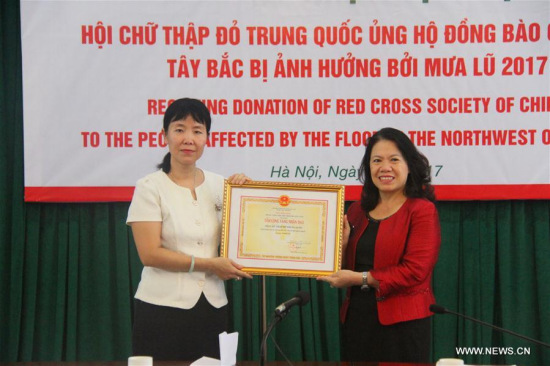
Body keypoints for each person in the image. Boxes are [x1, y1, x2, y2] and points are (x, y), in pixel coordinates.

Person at [126, 98, 253, 361]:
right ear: (165, 136)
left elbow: (245, 239)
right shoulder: (150, 187)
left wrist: (249, 198)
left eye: (197, 130)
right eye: (179, 129)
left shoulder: (222, 185)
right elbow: (149, 254)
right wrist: (209, 265)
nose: (188, 138)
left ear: (207, 138)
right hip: (161, 309)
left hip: (212, 307)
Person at [317, 127, 441, 363]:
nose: (385, 167)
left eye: (394, 159)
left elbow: (415, 272)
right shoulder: (356, 210)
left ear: (409, 165)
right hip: (357, 320)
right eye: (376, 160)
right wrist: (341, 246)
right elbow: (341, 267)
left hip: (403, 325)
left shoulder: (422, 210)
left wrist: (358, 279)